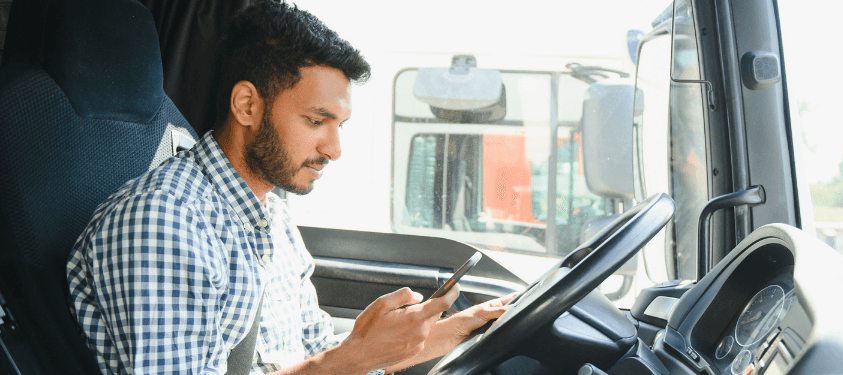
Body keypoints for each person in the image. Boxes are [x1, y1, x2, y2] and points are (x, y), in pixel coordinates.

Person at [66, 1, 511, 374]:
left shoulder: (271, 215)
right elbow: (329, 364)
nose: (334, 149)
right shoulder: (163, 224)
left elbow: (313, 352)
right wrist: (350, 358)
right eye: (316, 121)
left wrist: (452, 331)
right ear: (247, 106)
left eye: (339, 125)